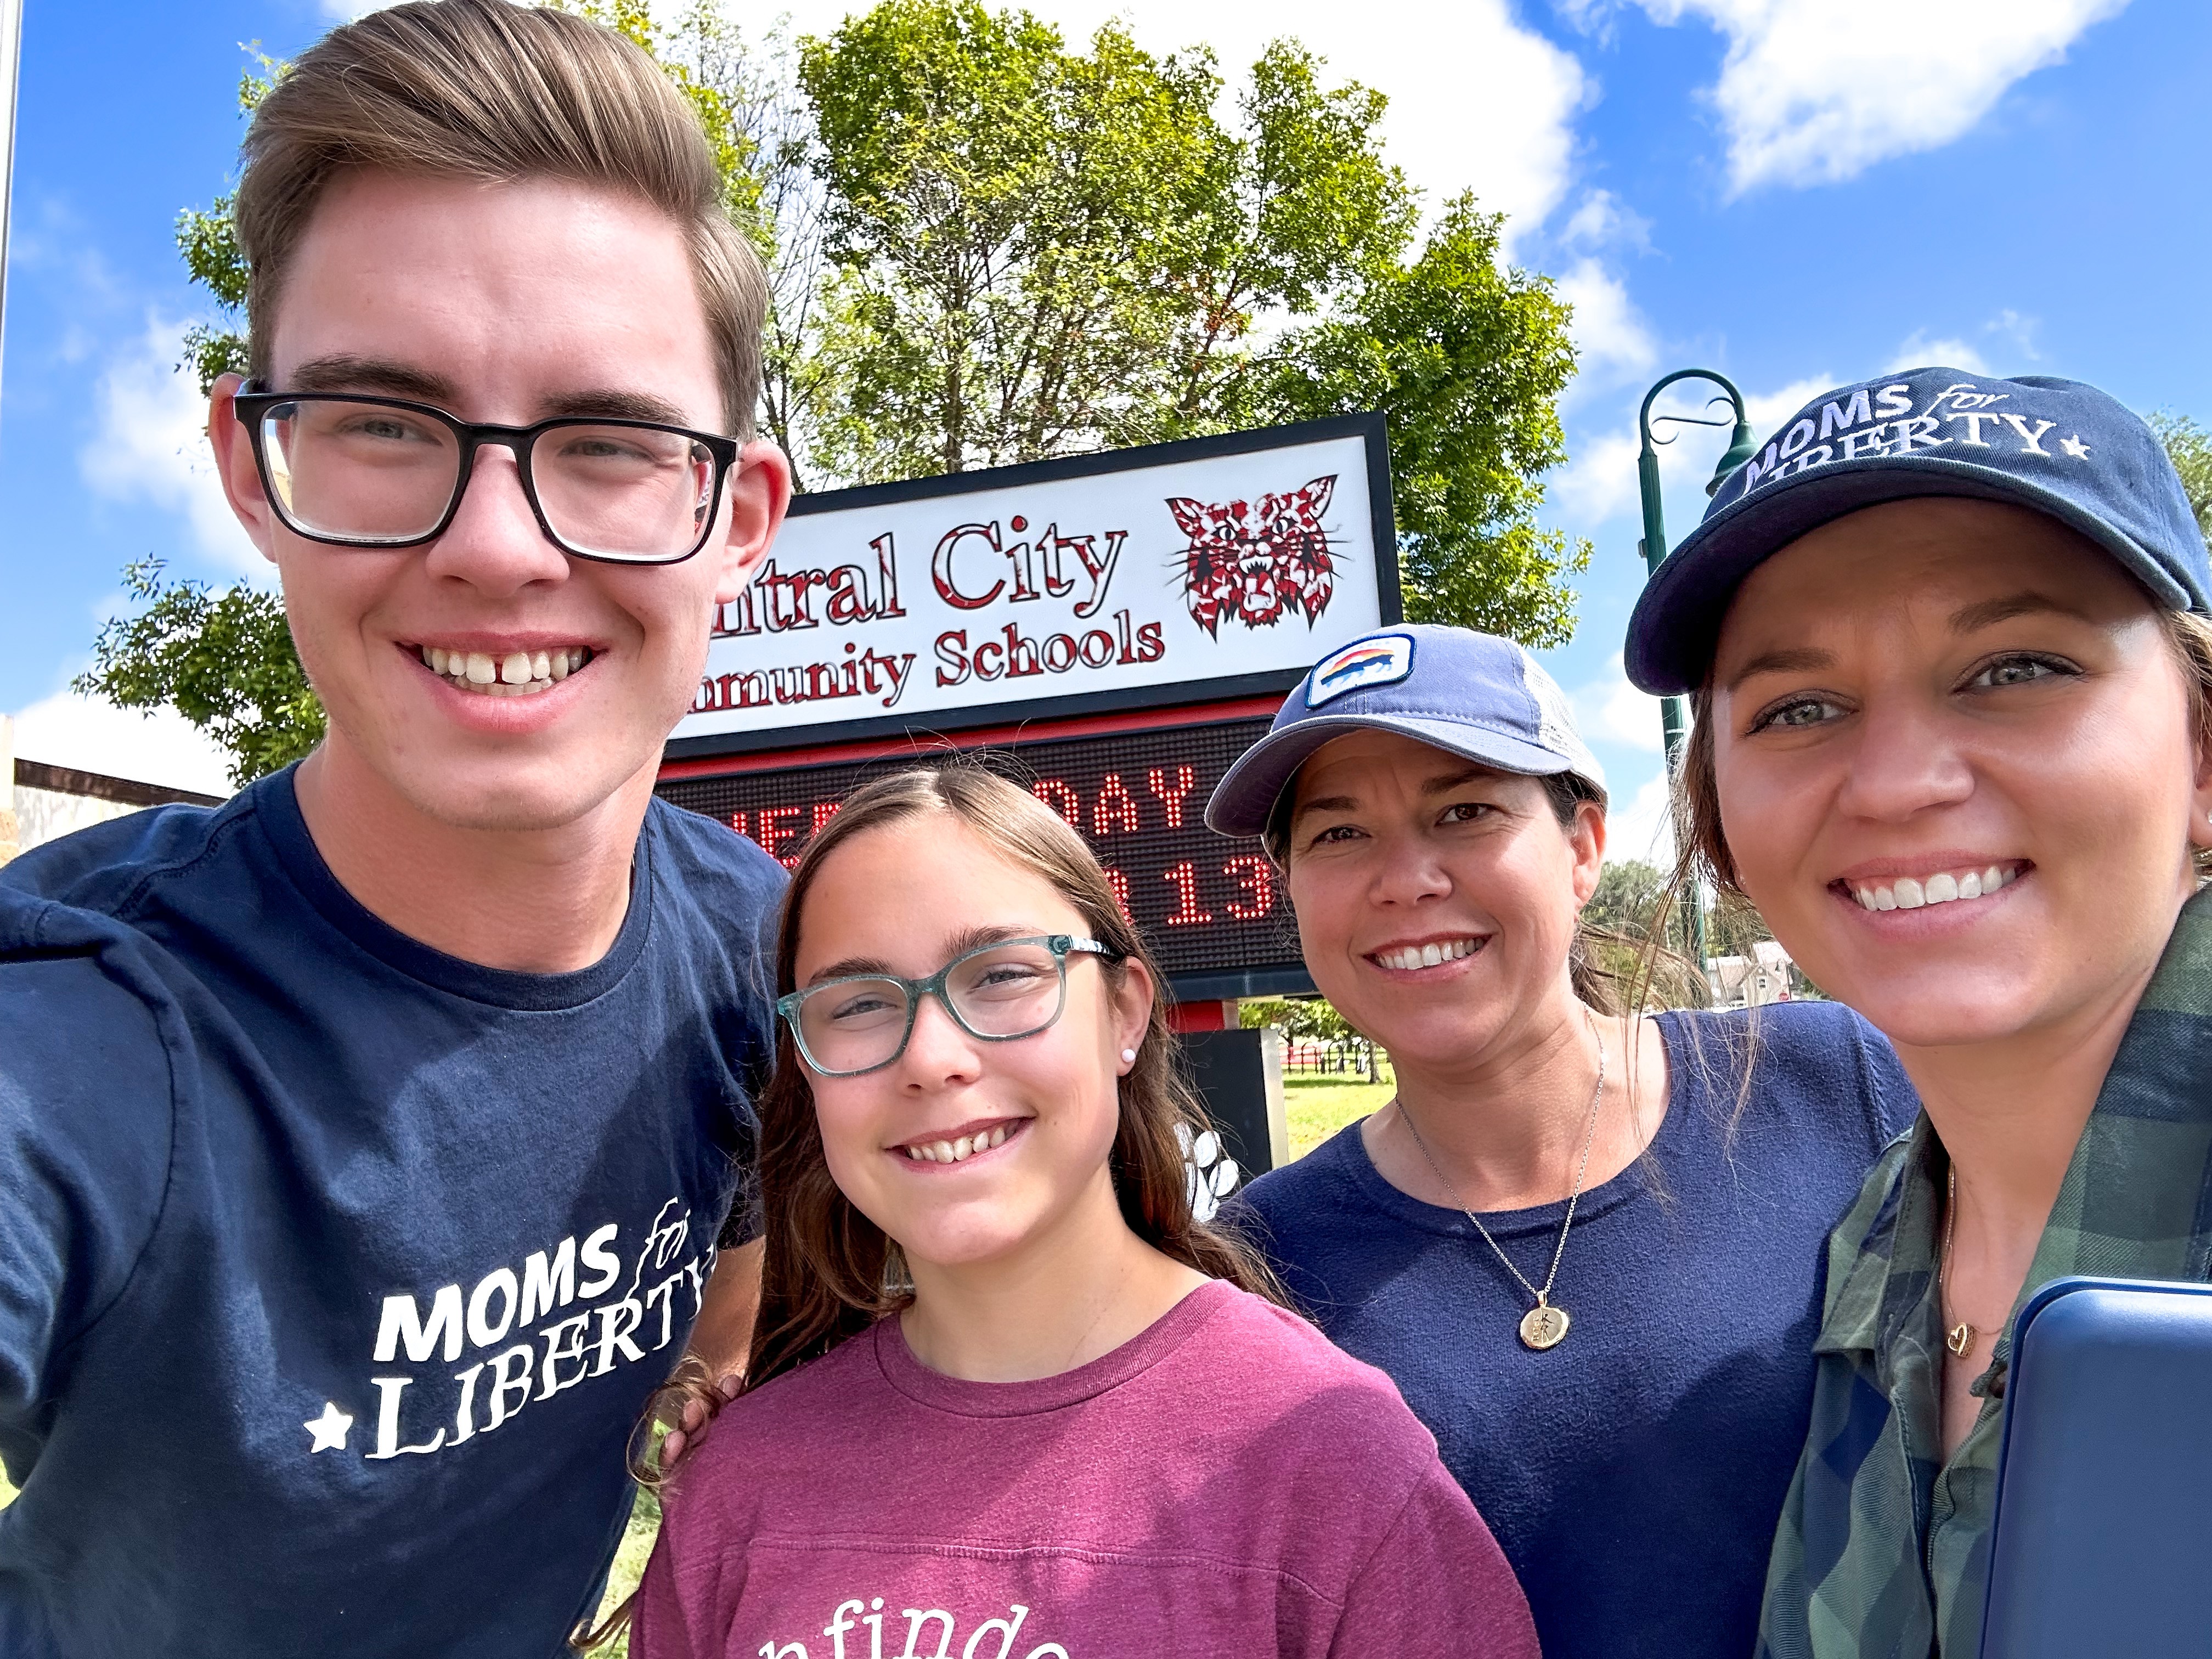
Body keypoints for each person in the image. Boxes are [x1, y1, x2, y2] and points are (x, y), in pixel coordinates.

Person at [0, 4, 793, 1654]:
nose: (499, 546)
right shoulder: (78, 1032)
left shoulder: (762, 952)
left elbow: (760, 1250)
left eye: (612, 444)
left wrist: (718, 1399)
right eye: (383, 425)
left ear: (739, 519)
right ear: (247, 462)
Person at [617, 766, 1540, 1659]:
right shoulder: (742, 1487)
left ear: (1125, 1014)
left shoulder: (1331, 1467)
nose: (932, 1056)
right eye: (857, 1003)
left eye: (1003, 975)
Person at [1622, 365, 2212, 1659]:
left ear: (2203, 758)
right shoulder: (1876, 1242)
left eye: (2014, 667)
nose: (1893, 783)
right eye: (1801, 708)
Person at [1207, 623, 1919, 1659]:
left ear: (1583, 846)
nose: (1405, 879)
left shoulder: (1836, 1080)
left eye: (1464, 812)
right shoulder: (1256, 1266)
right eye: (1337, 834)